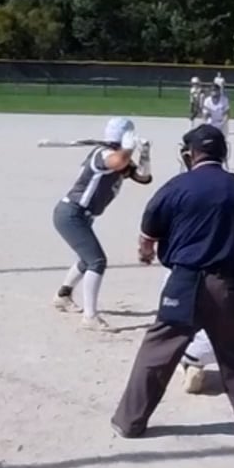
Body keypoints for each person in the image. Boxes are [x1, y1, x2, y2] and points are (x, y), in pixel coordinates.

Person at [112, 123, 234, 448]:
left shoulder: (176, 186)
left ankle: (129, 422)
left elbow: (148, 235)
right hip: (225, 284)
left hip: (183, 282)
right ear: (223, 153)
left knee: (156, 353)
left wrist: (147, 253)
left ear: (190, 155)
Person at [53, 117, 153, 332]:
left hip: (83, 217)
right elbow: (117, 162)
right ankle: (90, 317)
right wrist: (128, 147)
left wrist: (144, 154)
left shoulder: (121, 157)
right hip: (71, 214)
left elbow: (144, 178)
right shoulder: (104, 154)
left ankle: (63, 295)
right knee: (97, 261)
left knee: (86, 259)